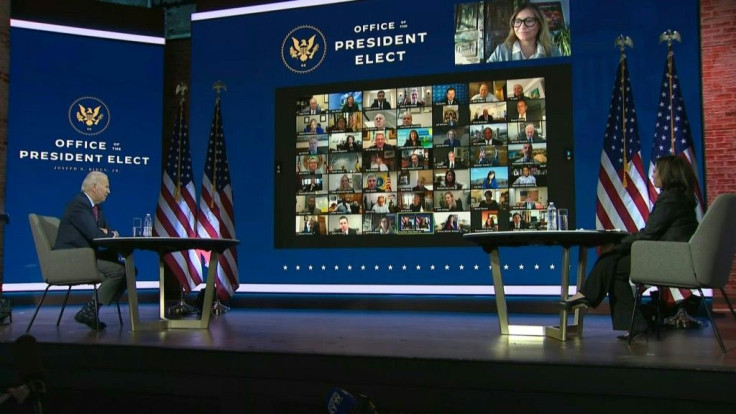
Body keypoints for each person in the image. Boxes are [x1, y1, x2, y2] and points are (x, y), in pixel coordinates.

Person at [560, 156, 699, 339]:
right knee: (614, 266)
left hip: (669, 261)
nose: (653, 174)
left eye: (656, 170)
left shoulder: (671, 199)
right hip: (672, 257)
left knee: (612, 259)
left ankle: (586, 295)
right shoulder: (680, 197)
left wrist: (620, 244)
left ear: (668, 173)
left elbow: (649, 234)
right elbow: (653, 232)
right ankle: (633, 323)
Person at [54, 171, 125, 330]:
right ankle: (90, 310)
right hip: (73, 258)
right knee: (119, 271)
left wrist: (108, 233)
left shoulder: (96, 209)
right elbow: (96, 234)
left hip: (86, 256)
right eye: (106, 187)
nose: (109, 191)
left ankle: (91, 311)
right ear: (94, 187)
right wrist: (107, 233)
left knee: (129, 269)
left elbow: (107, 232)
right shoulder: (79, 204)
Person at [486, 2, 562, 63]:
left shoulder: (553, 51)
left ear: (539, 24)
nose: (522, 26)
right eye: (518, 21)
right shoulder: (501, 51)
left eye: (529, 21)